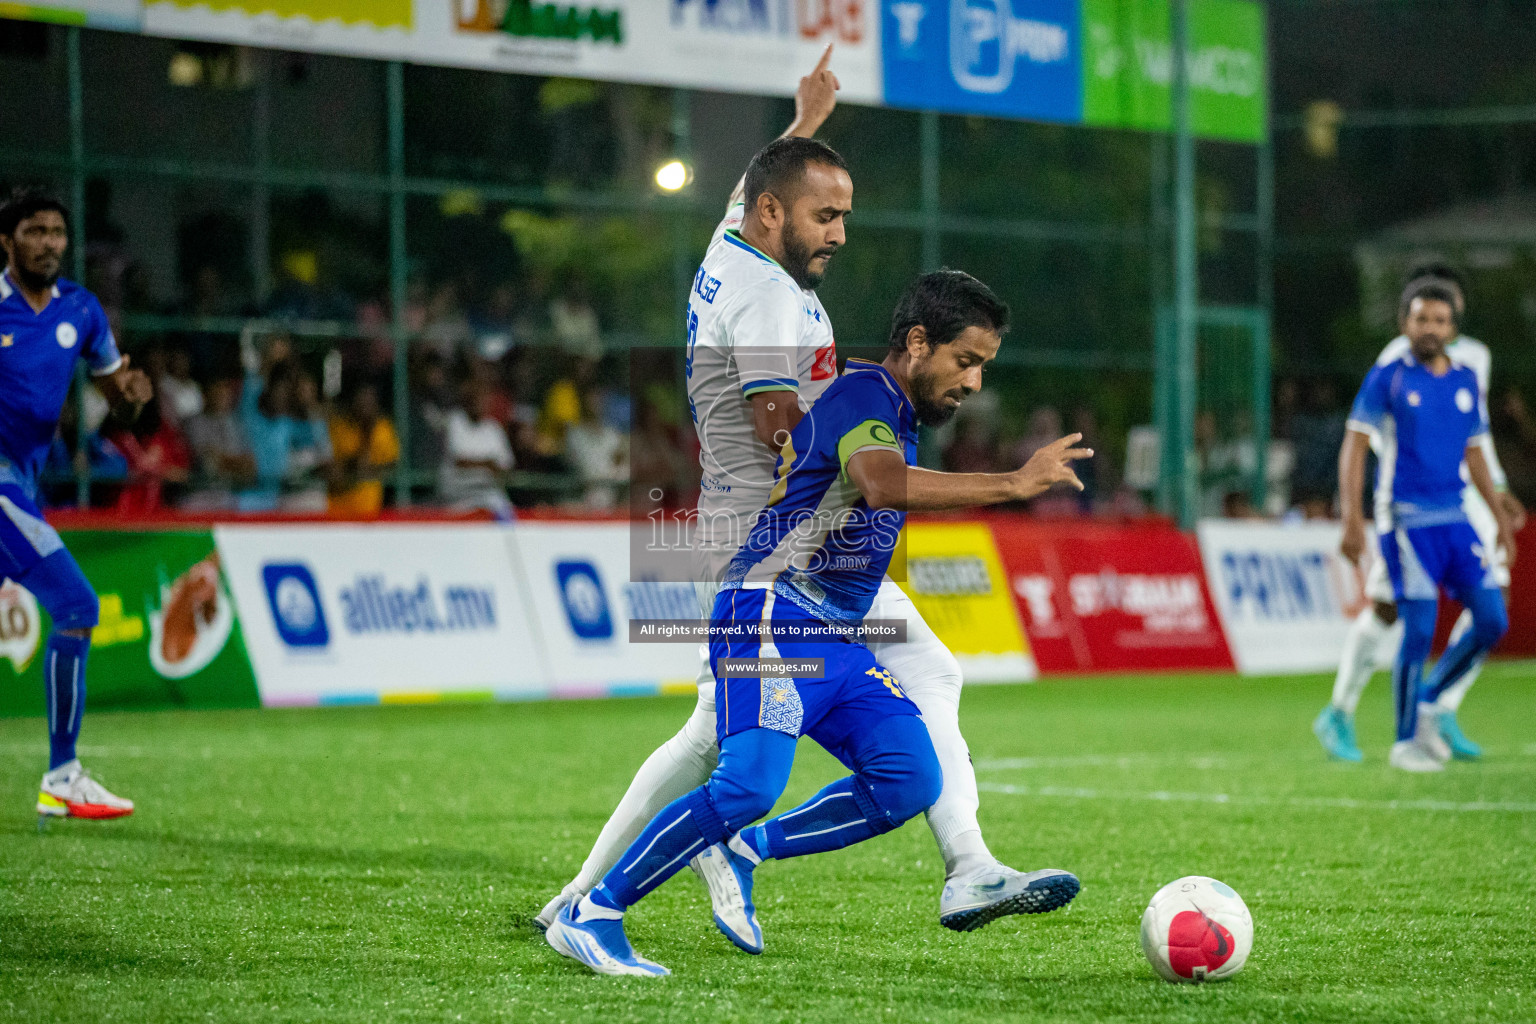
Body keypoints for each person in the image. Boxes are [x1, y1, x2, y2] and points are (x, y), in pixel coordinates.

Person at [538, 49, 1073, 943]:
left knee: (770, 723)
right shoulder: (773, 303)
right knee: (724, 750)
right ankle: (596, 897)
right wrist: (875, 401)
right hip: (783, 543)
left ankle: (967, 866)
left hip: (764, 536)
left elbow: (763, 182)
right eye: (827, 216)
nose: (839, 233)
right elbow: (784, 426)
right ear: (778, 216)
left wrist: (806, 120)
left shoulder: (734, 240)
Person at [1316, 264, 1526, 762]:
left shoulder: (1473, 363)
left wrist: (1497, 497)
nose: (1431, 325)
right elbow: (1363, 439)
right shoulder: (1393, 365)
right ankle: (1346, 712)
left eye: (1442, 314)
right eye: (1422, 316)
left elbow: (1476, 438)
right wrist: (1354, 517)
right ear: (1406, 320)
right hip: (1404, 506)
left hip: (1460, 503)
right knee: (1396, 613)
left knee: (1493, 606)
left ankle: (1438, 705)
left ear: (1455, 317)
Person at [0, 188, 151, 819]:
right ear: (6, 241)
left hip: (23, 485)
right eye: (34, 231)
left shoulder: (81, 310)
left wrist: (132, 396)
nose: (49, 243)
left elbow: (117, 392)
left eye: (57, 232)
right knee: (77, 604)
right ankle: (63, 775)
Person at [438, 376, 514, 520]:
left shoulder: (493, 428)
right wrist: (488, 464)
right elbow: (460, 461)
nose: (481, 403)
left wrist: (491, 467)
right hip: (458, 496)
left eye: (485, 398)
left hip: (488, 493)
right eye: (476, 398)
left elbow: (506, 466)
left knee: (507, 513)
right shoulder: (455, 421)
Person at [328, 381, 399, 519]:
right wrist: (352, 464)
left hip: (370, 508)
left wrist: (372, 468)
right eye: (361, 399)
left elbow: (393, 464)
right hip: (338, 507)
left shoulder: (383, 429)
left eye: (369, 400)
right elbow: (331, 464)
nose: (364, 405)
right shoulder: (340, 427)